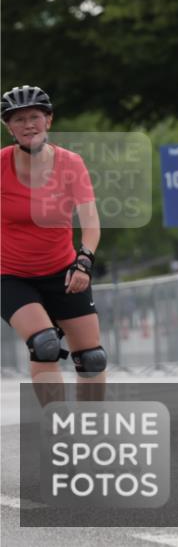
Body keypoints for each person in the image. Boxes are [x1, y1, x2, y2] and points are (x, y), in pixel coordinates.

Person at [1, 85, 106, 404]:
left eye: (34, 116)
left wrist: (84, 262)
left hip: (63, 270)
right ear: (9, 127)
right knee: (45, 343)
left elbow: (90, 220)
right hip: (11, 275)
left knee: (91, 358)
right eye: (19, 119)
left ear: (48, 120)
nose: (28, 124)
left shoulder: (70, 163)